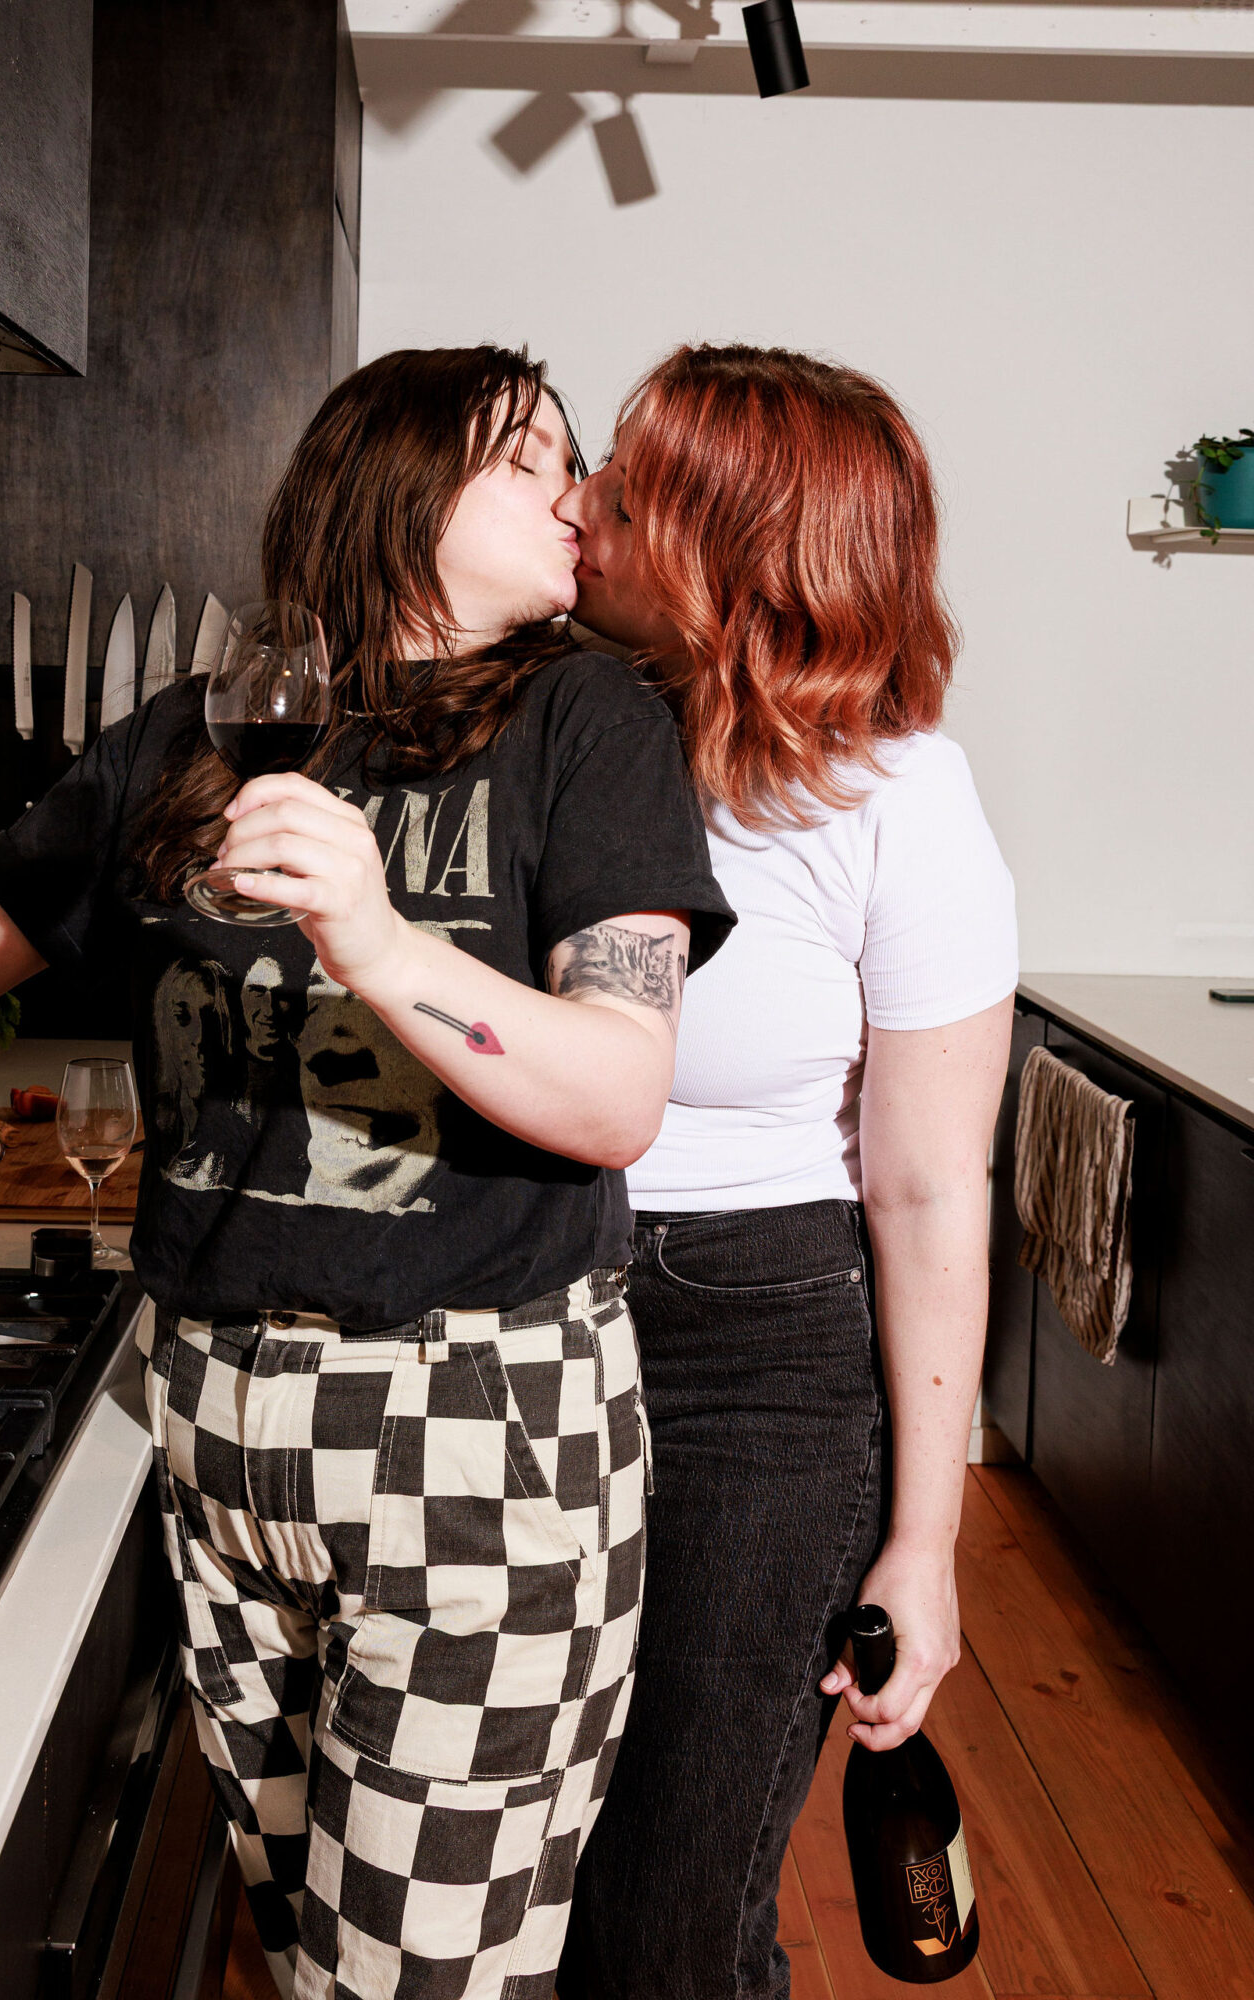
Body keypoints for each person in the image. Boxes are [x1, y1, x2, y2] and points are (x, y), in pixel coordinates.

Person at [0, 345, 734, 2000]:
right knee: (300, 1956)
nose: (580, 492)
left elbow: (620, 1096)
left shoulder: (589, 725)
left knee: (416, 1984)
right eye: (532, 455)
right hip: (211, 1418)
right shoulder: (189, 737)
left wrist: (376, 935)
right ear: (397, 489)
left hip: (474, 1423)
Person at [553, 344, 1017, 2000]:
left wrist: (926, 1543)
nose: (581, 505)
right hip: (526, 1315)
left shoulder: (902, 801)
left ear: (737, 544)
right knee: (517, 1878)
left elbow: (927, 1190)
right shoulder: (556, 729)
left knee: (671, 1906)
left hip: (757, 1354)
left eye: (627, 481)